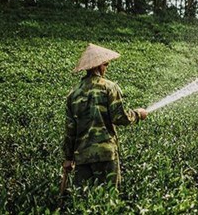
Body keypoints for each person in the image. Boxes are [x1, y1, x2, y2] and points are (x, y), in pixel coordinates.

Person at [62, 43, 148, 188]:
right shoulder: (109, 87)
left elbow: (70, 129)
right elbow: (119, 118)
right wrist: (138, 114)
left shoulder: (73, 93)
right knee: (108, 200)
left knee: (84, 201)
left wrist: (67, 158)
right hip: (105, 154)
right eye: (106, 64)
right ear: (99, 65)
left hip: (82, 156)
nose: (106, 68)